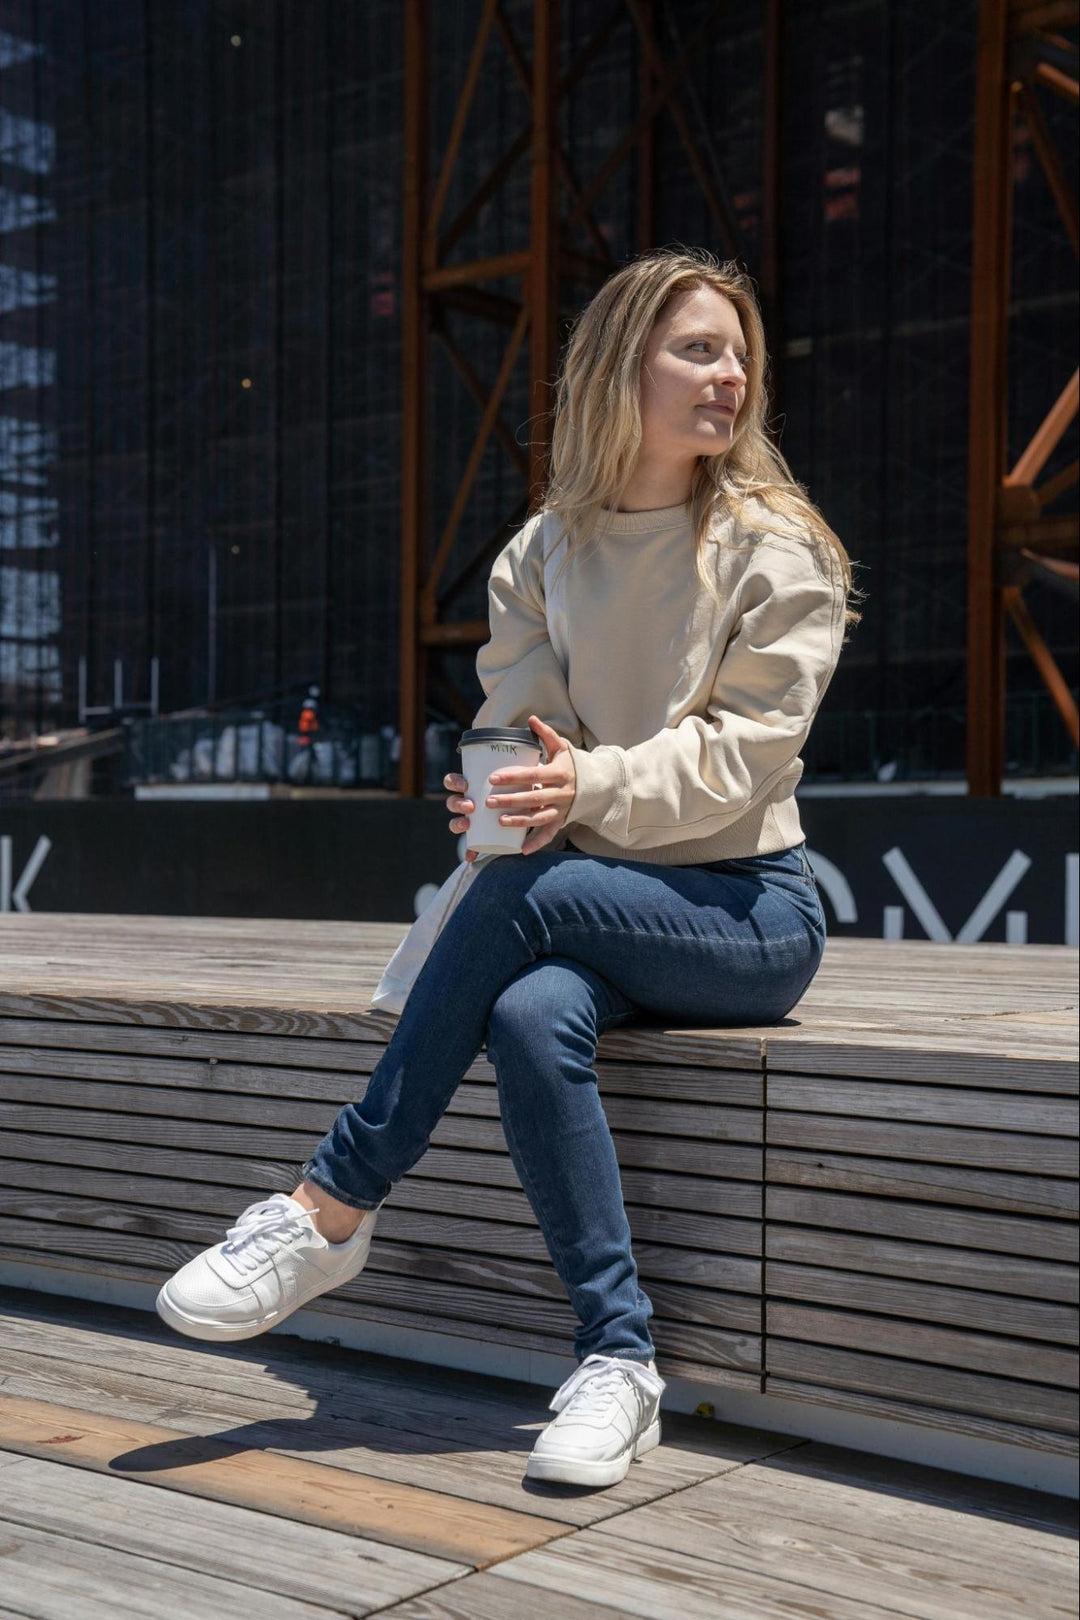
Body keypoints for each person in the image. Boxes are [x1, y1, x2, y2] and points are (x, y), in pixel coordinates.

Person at [155, 246, 863, 1490]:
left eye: (739, 350)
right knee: (534, 1017)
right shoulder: (544, 552)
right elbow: (531, 747)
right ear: (618, 368)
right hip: (582, 901)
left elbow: (745, 759)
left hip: (750, 911)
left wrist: (573, 793)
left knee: (527, 903)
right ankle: (618, 1357)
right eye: (698, 348)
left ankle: (333, 1204)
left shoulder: (776, 544)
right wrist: (501, 804)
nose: (732, 374)